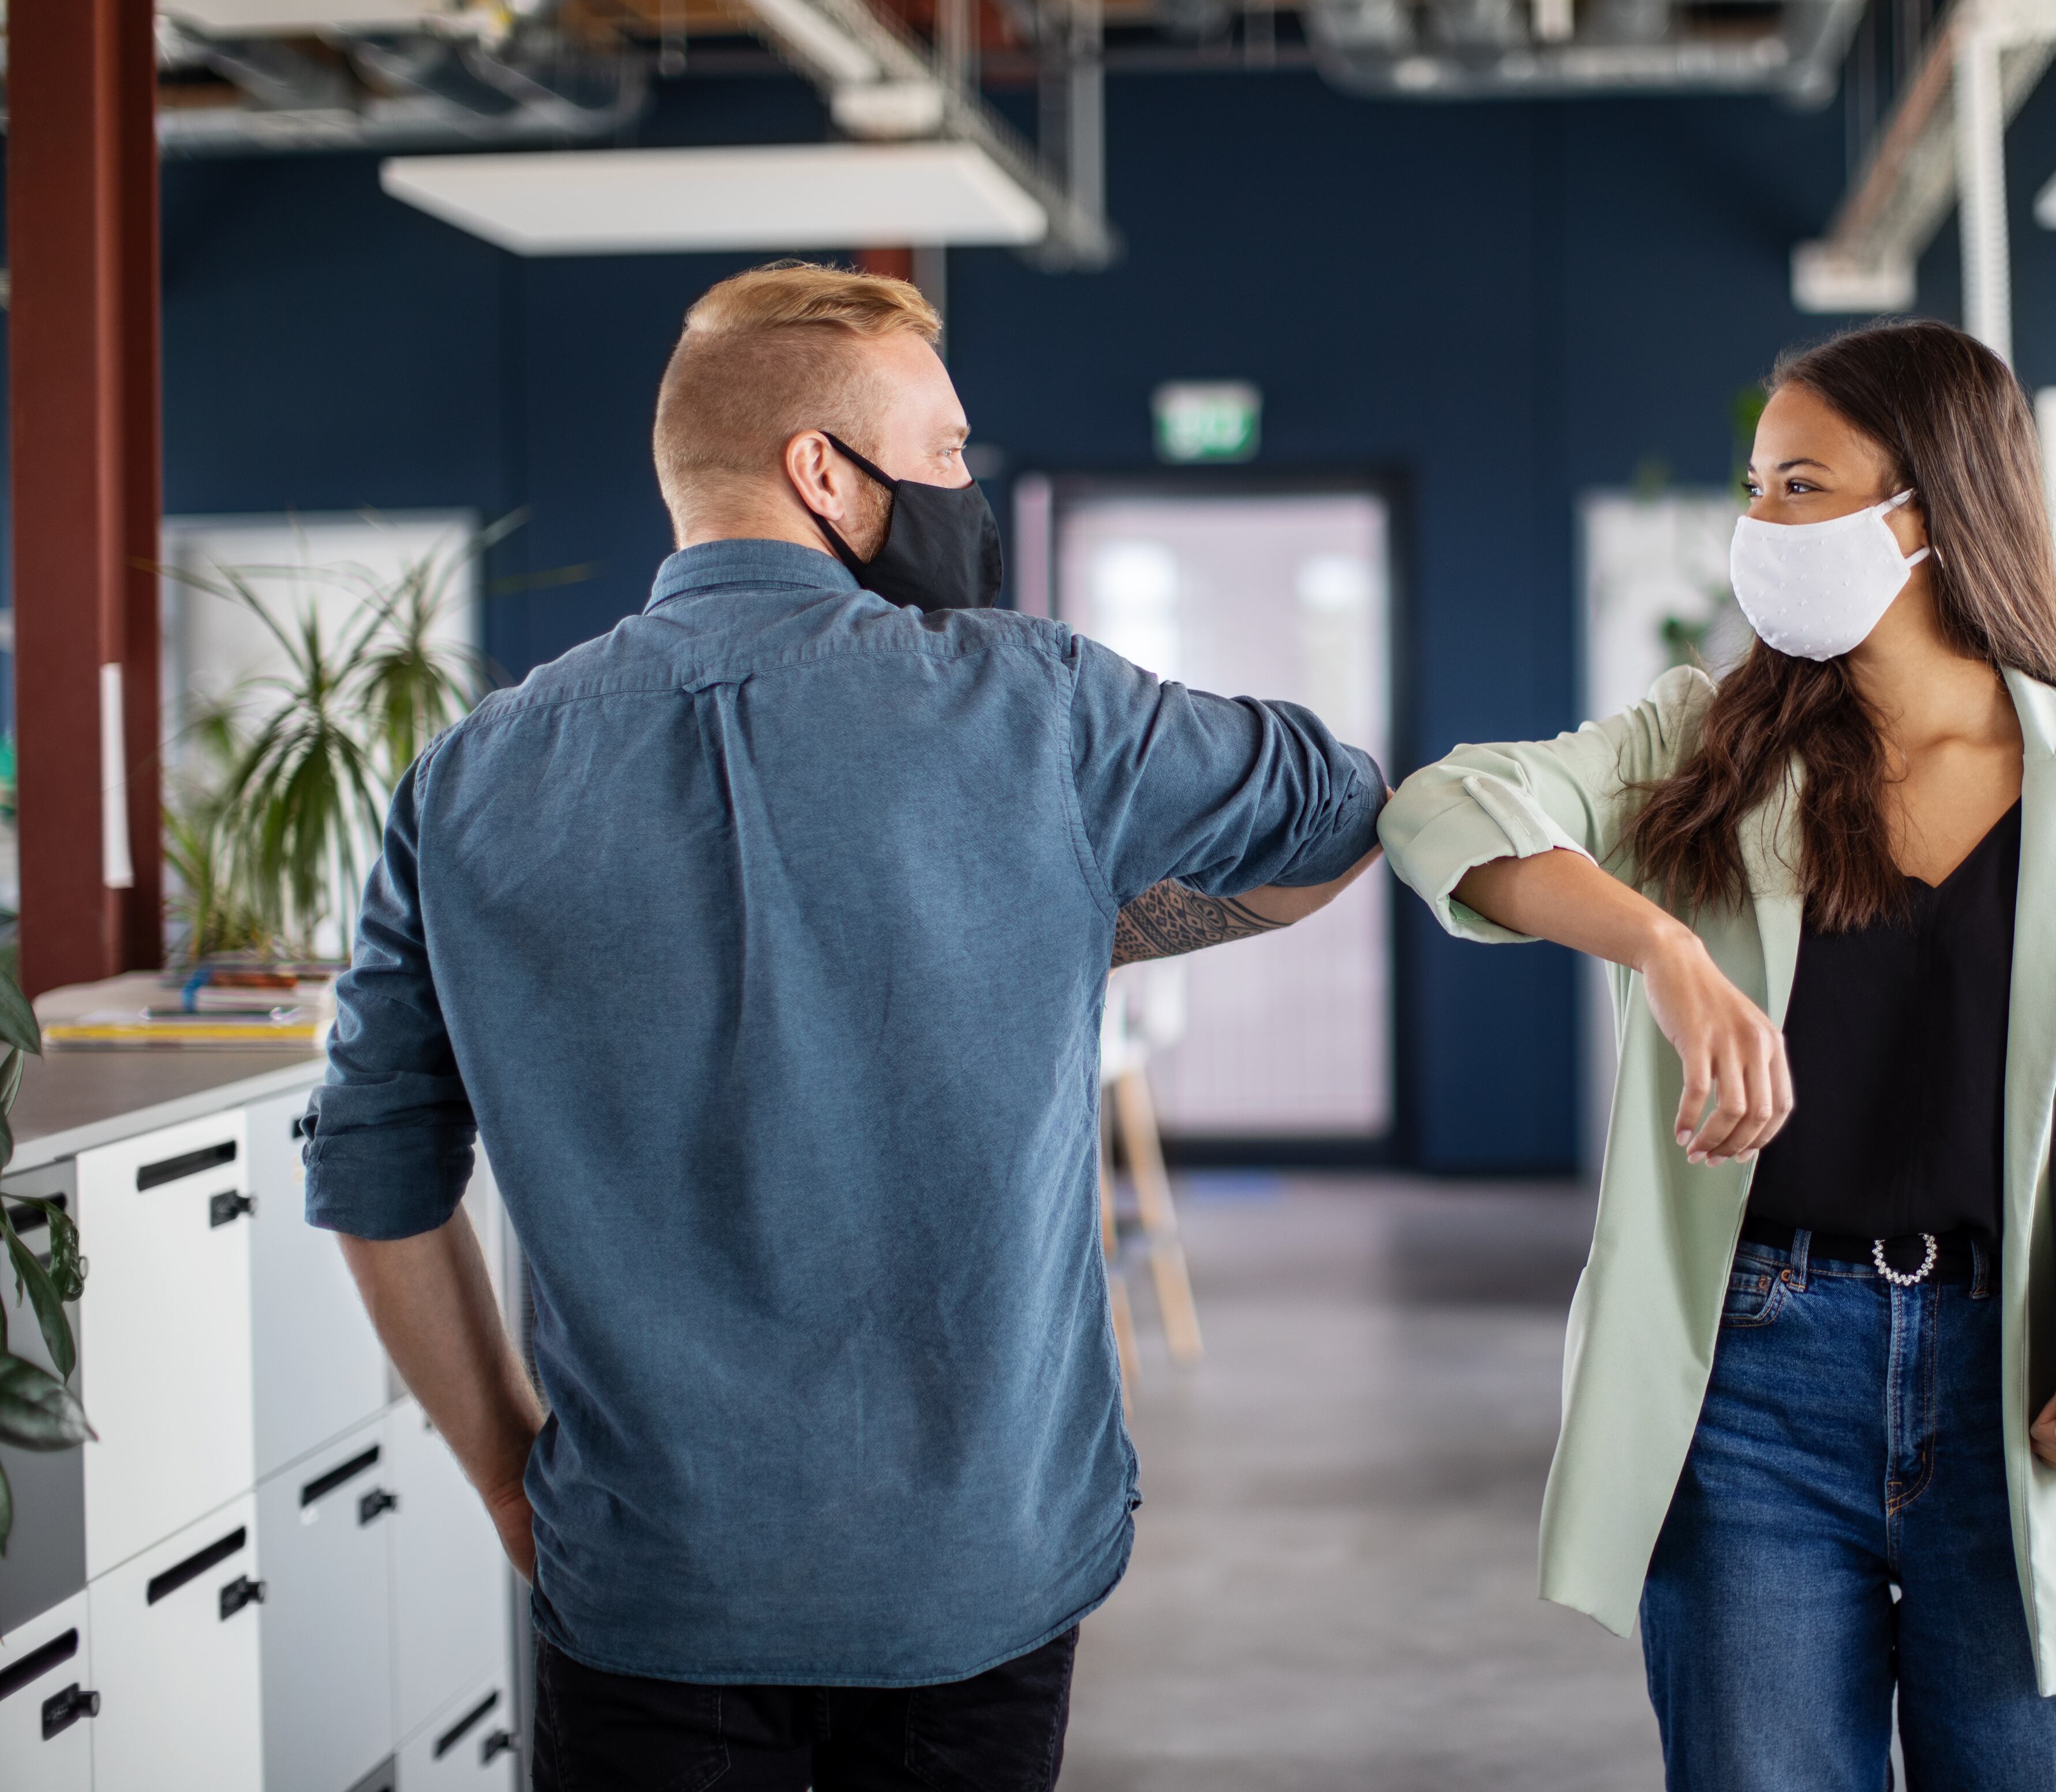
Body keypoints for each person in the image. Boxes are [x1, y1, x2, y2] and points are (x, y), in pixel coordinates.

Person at [303, 262, 1385, 1790]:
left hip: (646, 1574)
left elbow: (375, 1168)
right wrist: (1092, 919)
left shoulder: (468, 777)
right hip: (974, 1567)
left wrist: (502, 1472)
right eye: (942, 453)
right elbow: (1339, 811)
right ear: (823, 469)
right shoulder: (1037, 702)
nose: (960, 489)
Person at [1378, 318, 2056, 1790]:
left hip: (2020, 1377)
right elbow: (1436, 811)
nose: (1759, 524)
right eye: (1756, 487)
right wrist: (1663, 947)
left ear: (1932, 509)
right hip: (1754, 1379)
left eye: (1801, 487)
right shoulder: (1703, 742)